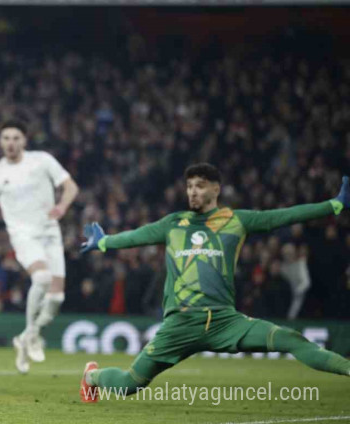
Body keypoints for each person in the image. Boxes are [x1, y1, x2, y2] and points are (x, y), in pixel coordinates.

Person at [78, 163, 350, 403]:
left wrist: (333, 205)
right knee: (129, 385)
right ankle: (92, 377)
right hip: (180, 324)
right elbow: (135, 237)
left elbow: (284, 216)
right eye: (189, 186)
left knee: (291, 339)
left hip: (224, 322)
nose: (192, 192)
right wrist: (104, 242)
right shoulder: (173, 224)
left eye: (200, 186)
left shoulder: (236, 221)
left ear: (216, 189)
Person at [0, 119, 79, 374]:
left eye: (15, 138)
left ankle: (26, 337)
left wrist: (62, 206)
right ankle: (33, 336)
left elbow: (70, 187)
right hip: (23, 236)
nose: (11, 143)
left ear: (24, 140)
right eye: (6, 138)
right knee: (43, 277)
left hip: (50, 234)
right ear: (0, 142)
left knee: (57, 298)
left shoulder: (42, 160)